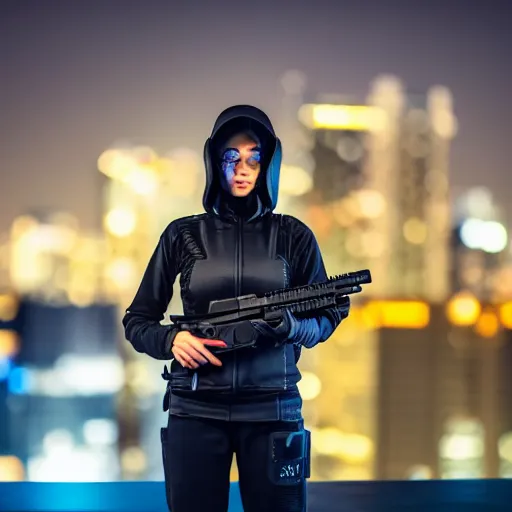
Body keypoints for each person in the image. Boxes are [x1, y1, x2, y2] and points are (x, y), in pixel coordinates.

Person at [122, 105, 349, 512]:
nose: (242, 169)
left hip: (274, 409)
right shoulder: (183, 234)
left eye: (253, 159)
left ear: (268, 165)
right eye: (230, 158)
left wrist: (292, 327)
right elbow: (138, 320)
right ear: (214, 162)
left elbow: (327, 315)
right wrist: (172, 339)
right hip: (195, 409)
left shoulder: (293, 236)